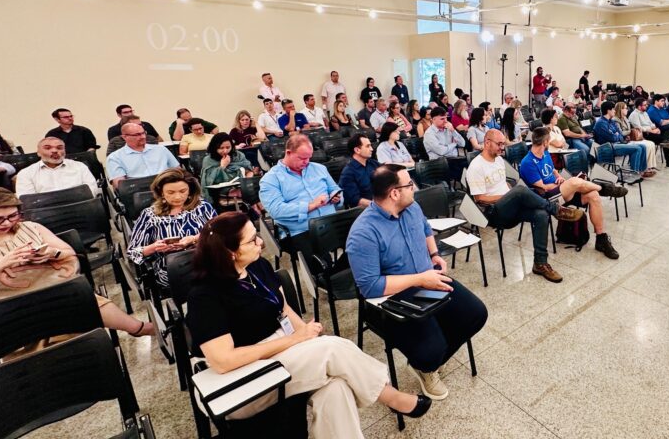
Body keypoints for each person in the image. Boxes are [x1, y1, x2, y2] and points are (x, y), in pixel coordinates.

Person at [187, 212, 431, 438]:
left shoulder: (256, 266)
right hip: (241, 382)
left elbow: (282, 307)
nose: (261, 243)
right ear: (230, 252)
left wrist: (304, 333)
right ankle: (392, 397)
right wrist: (295, 340)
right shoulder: (205, 295)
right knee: (331, 349)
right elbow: (223, 361)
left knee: (336, 389)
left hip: (280, 354)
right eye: (252, 241)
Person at [346, 164, 488, 400]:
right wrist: (421, 279)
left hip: (427, 278)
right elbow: (370, 287)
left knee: (475, 313)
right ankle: (426, 365)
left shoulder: (411, 207)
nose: (414, 187)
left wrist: (434, 255)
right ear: (394, 193)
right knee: (433, 349)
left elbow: (425, 230)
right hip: (395, 296)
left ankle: (429, 361)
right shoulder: (364, 233)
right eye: (409, 184)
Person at [0, 188, 154, 337]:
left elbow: (69, 254)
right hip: (11, 306)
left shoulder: (31, 228)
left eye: (13, 216)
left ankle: (136, 328)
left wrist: (50, 253)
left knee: (81, 297)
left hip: (52, 286)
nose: (7, 223)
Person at [467, 129, 584, 283]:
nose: (503, 147)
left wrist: (510, 195)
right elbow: (480, 198)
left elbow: (504, 184)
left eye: (503, 143)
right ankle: (556, 209)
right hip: (492, 213)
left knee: (541, 215)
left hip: (509, 208)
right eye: (499, 144)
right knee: (520, 191)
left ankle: (540, 263)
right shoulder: (476, 167)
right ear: (487, 143)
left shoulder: (499, 160)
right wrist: (509, 196)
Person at [520, 127, 623, 260]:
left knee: (593, 196)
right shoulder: (527, 163)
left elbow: (553, 171)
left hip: (560, 191)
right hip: (547, 199)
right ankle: (603, 188)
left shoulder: (545, 154)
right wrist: (563, 185)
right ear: (545, 142)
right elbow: (543, 188)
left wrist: (559, 177)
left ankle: (601, 238)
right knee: (574, 182)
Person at [127, 168, 217, 290]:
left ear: (190, 190)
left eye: (183, 191)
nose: (177, 197)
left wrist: (194, 239)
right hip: (173, 268)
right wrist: (154, 247)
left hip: (206, 259)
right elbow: (133, 252)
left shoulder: (202, 207)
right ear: (161, 192)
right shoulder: (150, 215)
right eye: (170, 192)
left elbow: (219, 233)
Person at [259, 133, 342, 250]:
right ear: (288, 153)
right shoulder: (270, 179)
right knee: (320, 262)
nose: (306, 162)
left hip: (330, 223)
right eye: (302, 158)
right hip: (301, 231)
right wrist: (311, 206)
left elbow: (335, 189)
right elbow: (276, 211)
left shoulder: (319, 168)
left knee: (361, 246)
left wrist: (336, 197)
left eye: (309, 157)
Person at [14, 137, 99, 197]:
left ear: (65, 151)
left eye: (59, 148)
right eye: (48, 148)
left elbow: (92, 190)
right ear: (38, 153)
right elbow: (28, 200)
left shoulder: (79, 166)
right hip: (45, 215)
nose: (55, 151)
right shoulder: (26, 173)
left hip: (81, 209)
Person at [106, 122, 180, 187]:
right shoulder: (115, 157)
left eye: (143, 133)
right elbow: (121, 185)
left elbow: (178, 171)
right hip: (139, 192)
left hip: (167, 187)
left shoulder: (161, 149)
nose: (143, 137)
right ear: (124, 137)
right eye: (137, 134)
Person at [593, 102, 652, 176]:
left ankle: (642, 171)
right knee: (637, 148)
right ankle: (634, 174)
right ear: (608, 111)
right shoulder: (601, 123)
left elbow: (620, 134)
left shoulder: (611, 121)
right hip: (608, 147)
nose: (615, 111)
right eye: (613, 109)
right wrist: (616, 135)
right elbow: (612, 138)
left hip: (616, 144)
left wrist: (616, 135)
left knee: (642, 147)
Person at [628, 98, 669, 169]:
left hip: (650, 132)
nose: (646, 106)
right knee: (663, 140)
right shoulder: (634, 115)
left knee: (666, 131)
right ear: (639, 106)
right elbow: (638, 128)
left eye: (646, 104)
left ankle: (665, 144)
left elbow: (652, 124)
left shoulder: (645, 113)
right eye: (644, 105)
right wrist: (651, 130)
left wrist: (655, 128)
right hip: (642, 135)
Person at [613, 102, 658, 173]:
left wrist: (631, 131)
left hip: (630, 138)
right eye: (625, 108)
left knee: (650, 144)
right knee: (645, 146)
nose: (627, 110)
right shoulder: (615, 120)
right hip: (624, 141)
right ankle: (641, 169)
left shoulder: (625, 118)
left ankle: (648, 167)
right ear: (620, 109)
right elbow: (621, 133)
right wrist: (630, 131)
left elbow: (628, 129)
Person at [338, 134, 379, 209]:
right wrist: (379, 206)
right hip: (366, 210)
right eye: (367, 146)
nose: (372, 149)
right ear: (357, 150)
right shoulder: (348, 173)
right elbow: (355, 200)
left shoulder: (373, 163)